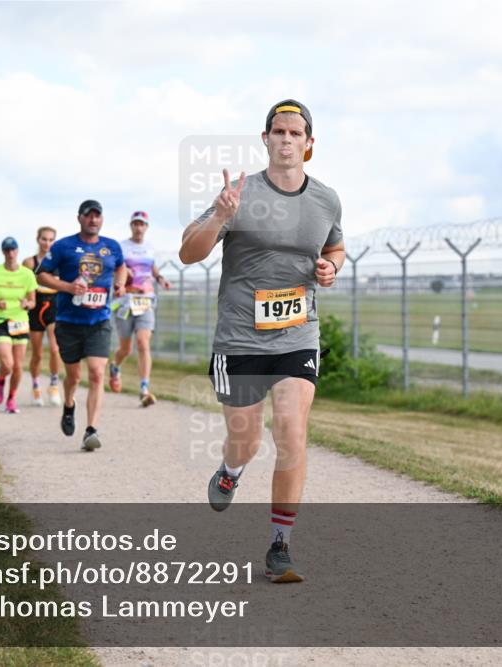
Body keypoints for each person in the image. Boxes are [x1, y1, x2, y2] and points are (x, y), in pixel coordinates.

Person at [179, 100, 344, 583]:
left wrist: (331, 267)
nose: (287, 140)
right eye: (278, 131)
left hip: (298, 333)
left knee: (291, 431)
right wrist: (218, 217)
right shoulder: (239, 193)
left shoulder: (327, 199)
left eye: (296, 133)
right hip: (240, 340)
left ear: (309, 144)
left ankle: (280, 545)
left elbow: (334, 244)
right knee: (245, 440)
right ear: (265, 139)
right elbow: (189, 252)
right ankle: (230, 470)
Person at [37, 200, 126, 451]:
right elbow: (41, 274)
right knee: (74, 376)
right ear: (80, 218)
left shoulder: (112, 247)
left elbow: (121, 268)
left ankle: (91, 430)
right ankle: (68, 404)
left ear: (102, 219)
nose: (93, 220)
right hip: (68, 322)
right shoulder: (64, 246)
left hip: (99, 322)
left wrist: (119, 284)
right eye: (89, 216)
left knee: (97, 373)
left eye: (97, 216)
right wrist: (67, 287)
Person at [109, 210, 171, 407]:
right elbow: (114, 268)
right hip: (126, 300)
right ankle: (115, 366)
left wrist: (160, 279)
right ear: (131, 226)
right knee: (126, 349)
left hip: (145, 300)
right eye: (135, 224)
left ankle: (144, 388)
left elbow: (152, 268)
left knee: (143, 343)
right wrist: (123, 273)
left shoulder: (150, 247)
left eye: (142, 224)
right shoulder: (121, 246)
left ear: (146, 227)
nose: (138, 227)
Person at [0, 237, 37, 414]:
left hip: (20, 321)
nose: (10, 253)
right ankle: (0, 379)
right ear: (3, 252)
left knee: (18, 366)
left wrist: (27, 304)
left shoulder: (27, 274)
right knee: (8, 364)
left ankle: (11, 399)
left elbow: (33, 301)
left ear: (18, 251)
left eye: (13, 250)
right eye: (7, 250)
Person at [22, 226, 63, 407]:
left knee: (55, 349)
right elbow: (23, 286)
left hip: (54, 306)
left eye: (51, 240)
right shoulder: (29, 263)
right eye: (44, 239)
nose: (47, 243)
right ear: (38, 240)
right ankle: (36, 386)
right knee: (37, 353)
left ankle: (54, 385)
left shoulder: (60, 262)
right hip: (35, 307)